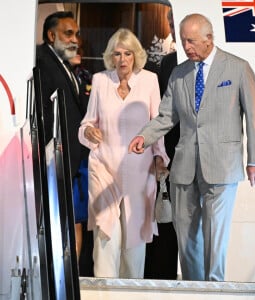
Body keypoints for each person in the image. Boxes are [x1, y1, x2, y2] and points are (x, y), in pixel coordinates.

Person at [129, 13, 255, 282]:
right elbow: (166, 116)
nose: (186, 46)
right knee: (187, 236)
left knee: (215, 236)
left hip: (223, 166)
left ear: (209, 39)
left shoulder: (237, 68)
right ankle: (193, 289)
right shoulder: (180, 74)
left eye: (191, 41)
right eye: (183, 41)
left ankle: (214, 289)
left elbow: (254, 115)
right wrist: (144, 137)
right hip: (185, 166)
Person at [78, 28, 170, 279]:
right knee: (106, 235)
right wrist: (88, 133)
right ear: (111, 56)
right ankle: (104, 292)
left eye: (127, 53)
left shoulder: (150, 80)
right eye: (117, 54)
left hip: (139, 171)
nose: (122, 59)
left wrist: (160, 156)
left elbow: (157, 123)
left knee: (134, 242)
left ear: (135, 55)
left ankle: (131, 292)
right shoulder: (100, 80)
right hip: (104, 167)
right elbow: (86, 124)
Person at [35, 11, 90, 264]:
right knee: (55, 226)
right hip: (54, 163)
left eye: (76, 34)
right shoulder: (41, 60)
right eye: (69, 33)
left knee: (72, 224)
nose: (75, 39)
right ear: (51, 35)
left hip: (71, 163)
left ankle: (70, 278)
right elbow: (42, 112)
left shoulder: (65, 65)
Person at [144, 7, 179, 280]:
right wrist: (159, 152)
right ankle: (161, 278)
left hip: (194, 155)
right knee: (164, 219)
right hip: (166, 153)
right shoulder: (167, 63)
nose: (172, 26)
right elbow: (161, 112)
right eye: (171, 22)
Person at [68, 44, 94, 276]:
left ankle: (77, 272)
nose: (77, 50)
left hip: (85, 158)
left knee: (80, 220)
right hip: (63, 157)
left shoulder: (88, 78)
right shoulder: (51, 75)